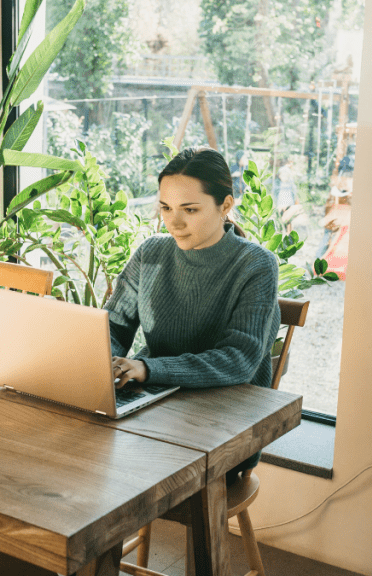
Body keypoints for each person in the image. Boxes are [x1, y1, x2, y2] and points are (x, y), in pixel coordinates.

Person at [105, 147, 281, 483]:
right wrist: (100, 364)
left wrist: (148, 368)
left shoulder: (256, 265)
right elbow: (113, 326)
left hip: (223, 427)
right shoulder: (151, 252)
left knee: (105, 470)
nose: (174, 221)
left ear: (225, 206)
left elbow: (239, 360)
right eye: (166, 208)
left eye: (190, 209)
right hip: (153, 404)